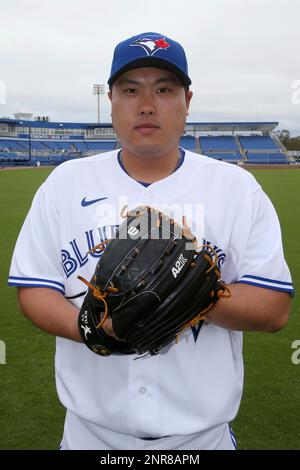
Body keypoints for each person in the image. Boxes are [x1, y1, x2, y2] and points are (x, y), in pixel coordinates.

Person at [8, 32, 293, 450]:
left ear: (187, 102)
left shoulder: (238, 189)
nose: (146, 104)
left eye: (163, 89)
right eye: (130, 89)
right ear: (111, 101)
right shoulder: (64, 184)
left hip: (201, 442)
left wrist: (195, 296)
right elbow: (34, 288)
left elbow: (274, 309)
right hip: (89, 438)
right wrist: (95, 329)